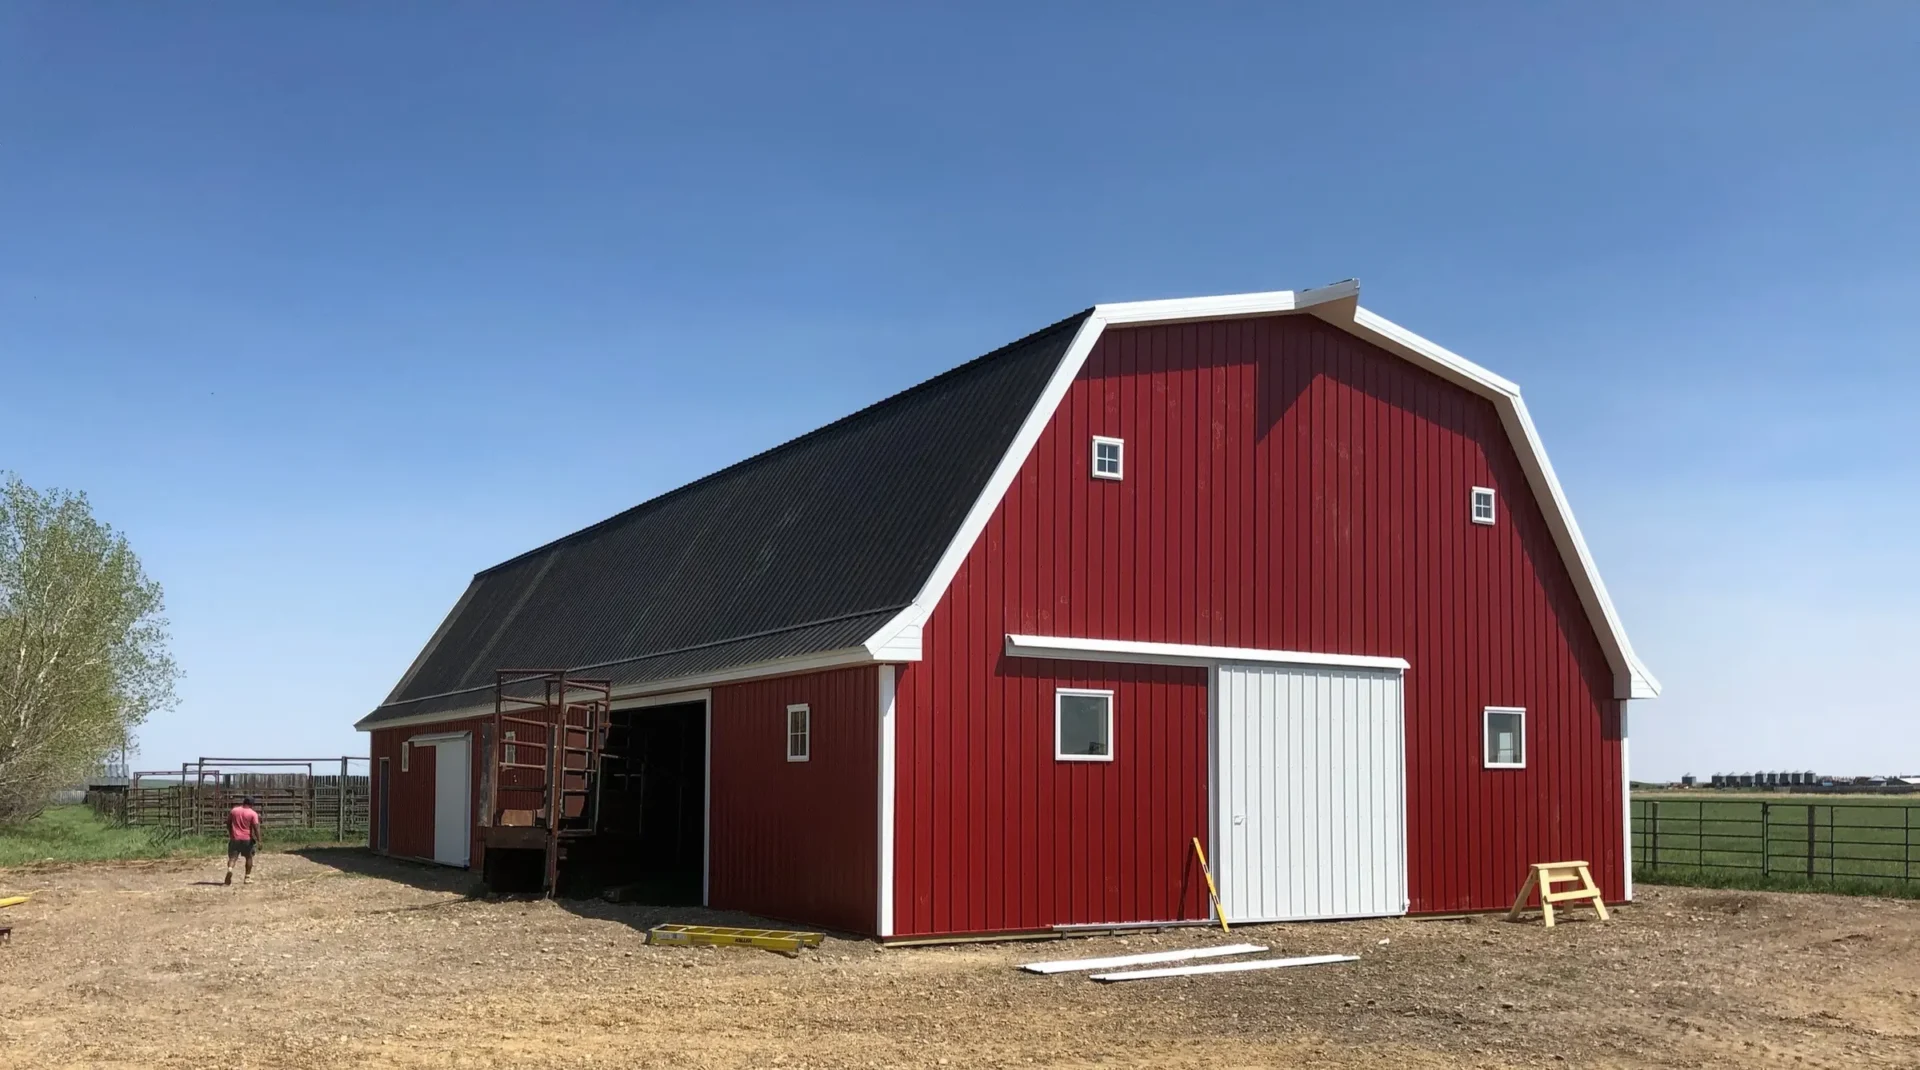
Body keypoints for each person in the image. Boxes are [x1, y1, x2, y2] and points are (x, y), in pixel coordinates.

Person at [225, 795, 263, 886]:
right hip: (247, 839)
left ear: (244, 802)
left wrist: (231, 833)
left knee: (232, 858)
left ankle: (230, 869)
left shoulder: (234, 810)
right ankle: (247, 877)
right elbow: (256, 828)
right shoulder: (253, 813)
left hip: (235, 838)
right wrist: (259, 840)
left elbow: (228, 823)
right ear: (252, 804)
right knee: (249, 857)